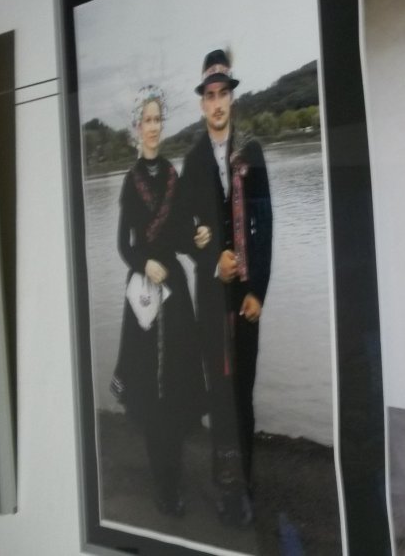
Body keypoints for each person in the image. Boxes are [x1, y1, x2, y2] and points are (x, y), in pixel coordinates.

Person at [180, 49, 273, 526]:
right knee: (220, 393)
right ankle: (226, 488)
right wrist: (211, 256)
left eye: (223, 94)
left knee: (243, 393)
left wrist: (258, 291)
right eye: (209, 96)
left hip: (246, 297)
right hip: (211, 296)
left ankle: (246, 483)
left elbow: (265, 225)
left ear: (232, 98)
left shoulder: (251, 152)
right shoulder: (193, 160)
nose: (217, 103)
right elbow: (181, 229)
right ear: (202, 103)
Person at [110, 85, 205, 517]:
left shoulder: (172, 175)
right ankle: (164, 487)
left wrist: (197, 238)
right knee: (149, 392)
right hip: (144, 296)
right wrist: (144, 263)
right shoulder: (130, 183)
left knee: (177, 386)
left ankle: (175, 478)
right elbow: (123, 246)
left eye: (157, 120)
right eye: (146, 121)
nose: (153, 127)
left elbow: (182, 235)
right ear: (137, 128)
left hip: (175, 295)